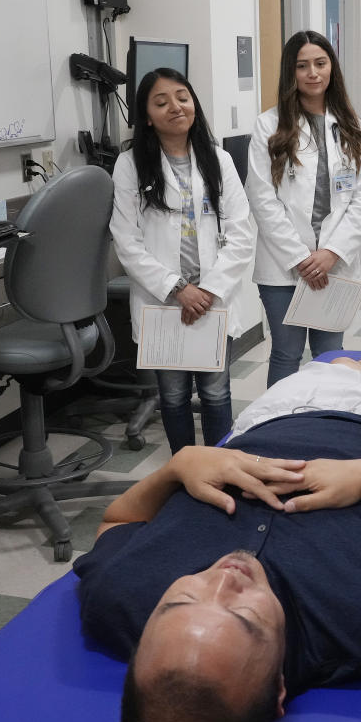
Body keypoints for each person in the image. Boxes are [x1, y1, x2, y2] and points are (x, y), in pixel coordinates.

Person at [73, 302, 361, 722]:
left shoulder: (117, 596)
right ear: (278, 688)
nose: (224, 578)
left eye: (181, 599)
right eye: (244, 616)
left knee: (342, 365)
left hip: (274, 418)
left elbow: (119, 518)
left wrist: (178, 466)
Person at [110, 68, 255, 451]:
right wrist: (177, 290)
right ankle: (184, 469)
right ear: (146, 116)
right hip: (164, 301)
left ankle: (220, 466)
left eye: (182, 97)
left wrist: (207, 290)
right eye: (161, 102)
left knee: (216, 392)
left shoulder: (219, 160)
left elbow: (242, 233)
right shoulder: (130, 165)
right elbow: (126, 241)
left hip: (210, 298)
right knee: (172, 396)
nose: (175, 106)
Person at [246, 30, 361, 386]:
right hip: (284, 266)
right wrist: (301, 259)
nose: (313, 73)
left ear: (331, 66)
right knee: (286, 355)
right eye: (303, 66)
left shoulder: (351, 124)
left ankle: (323, 428)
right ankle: (277, 431)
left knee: (331, 357)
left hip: (335, 264)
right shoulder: (269, 126)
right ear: (291, 72)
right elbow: (262, 200)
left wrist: (331, 253)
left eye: (320, 63)